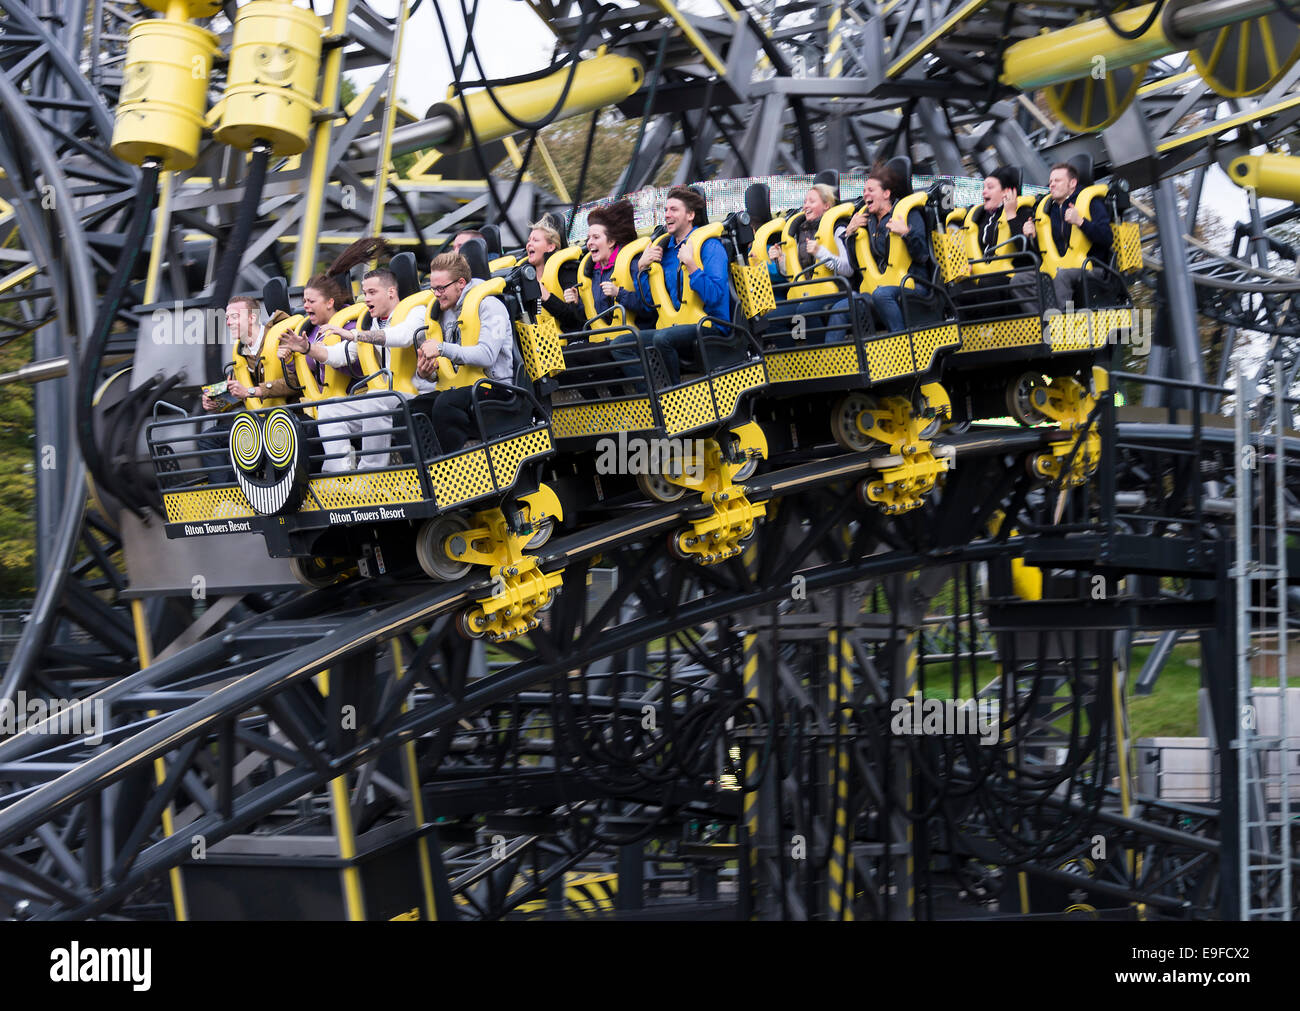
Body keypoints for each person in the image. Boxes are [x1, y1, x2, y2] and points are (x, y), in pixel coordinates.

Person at [281, 259, 416, 473]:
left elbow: (403, 337)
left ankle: (371, 474)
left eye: (372, 292)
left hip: (414, 391)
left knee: (375, 399)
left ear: (391, 292)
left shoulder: (413, 312)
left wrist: (355, 335)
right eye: (365, 292)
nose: (366, 298)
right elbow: (340, 355)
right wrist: (307, 348)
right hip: (385, 396)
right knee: (330, 408)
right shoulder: (371, 322)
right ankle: (339, 473)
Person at [612, 185, 733, 386]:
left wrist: (692, 266)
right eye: (665, 210)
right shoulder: (664, 252)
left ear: (690, 215)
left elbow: (715, 296)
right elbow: (649, 302)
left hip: (710, 325)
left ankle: (672, 395)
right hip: (673, 326)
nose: (667, 215)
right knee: (620, 344)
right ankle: (651, 396)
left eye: (674, 209)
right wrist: (642, 268)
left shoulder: (710, 246)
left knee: (663, 339)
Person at [410, 252, 517, 453]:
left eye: (441, 288)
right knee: (409, 410)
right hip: (459, 388)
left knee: (446, 405)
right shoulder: (441, 311)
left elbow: (487, 356)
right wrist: (427, 373)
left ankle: (451, 469)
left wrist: (441, 348)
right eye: (433, 288)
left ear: (460, 282)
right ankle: (423, 471)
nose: (436, 294)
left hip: (495, 388)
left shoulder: (489, 305)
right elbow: (444, 367)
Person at [839, 164, 930, 333]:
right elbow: (854, 265)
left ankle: (901, 346)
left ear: (886, 194)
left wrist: (906, 233)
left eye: (871, 190)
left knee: (882, 295)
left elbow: (922, 255)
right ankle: (839, 357)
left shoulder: (908, 214)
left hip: (913, 283)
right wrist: (849, 234)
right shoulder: (866, 222)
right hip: (878, 286)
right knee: (843, 307)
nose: (866, 194)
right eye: (864, 190)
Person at [196, 295, 276, 479]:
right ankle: (229, 497)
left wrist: (249, 391)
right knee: (208, 439)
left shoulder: (276, 340)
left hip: (283, 416)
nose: (229, 322)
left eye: (234, 317)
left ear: (251, 318)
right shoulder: (239, 351)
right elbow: (239, 391)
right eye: (227, 318)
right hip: (256, 421)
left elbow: (293, 383)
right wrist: (216, 403)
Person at [765, 184, 853, 344]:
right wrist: (780, 259)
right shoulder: (800, 231)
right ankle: (792, 362)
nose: (806, 205)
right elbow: (793, 274)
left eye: (811, 201)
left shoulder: (838, 228)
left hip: (834, 291)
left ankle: (819, 358)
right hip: (806, 294)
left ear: (826, 206)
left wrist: (821, 253)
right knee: (770, 318)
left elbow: (848, 269)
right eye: (805, 202)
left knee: (805, 310)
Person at [1024, 161, 1112, 309]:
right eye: (1050, 181)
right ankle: (1041, 323)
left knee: (1063, 277)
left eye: (1057, 181)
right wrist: (1032, 236)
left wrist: (1081, 222)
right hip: (1056, 268)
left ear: (1072, 183)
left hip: (1091, 268)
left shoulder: (1091, 203)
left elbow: (1107, 238)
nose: (1051, 184)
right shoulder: (1047, 211)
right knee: (1021, 280)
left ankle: (1058, 325)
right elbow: (1043, 253)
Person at [958, 166, 1038, 313]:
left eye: (990, 187)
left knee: (988, 284)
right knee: (957, 289)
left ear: (1006, 192)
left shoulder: (1023, 211)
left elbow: (1027, 251)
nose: (984, 192)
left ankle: (992, 333)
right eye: (983, 187)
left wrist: (1011, 215)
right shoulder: (980, 217)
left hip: (1012, 276)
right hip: (982, 275)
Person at [577, 199, 639, 326]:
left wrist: (618, 293)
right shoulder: (592, 272)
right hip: (604, 336)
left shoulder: (631, 265)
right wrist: (576, 302)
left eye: (596, 237)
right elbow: (588, 317)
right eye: (588, 238)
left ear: (611, 242)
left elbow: (648, 308)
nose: (589, 243)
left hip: (633, 335)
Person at [524, 222, 585, 332]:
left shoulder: (565, 271)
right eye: (529, 240)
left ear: (551, 247)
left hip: (566, 341)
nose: (529, 244)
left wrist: (546, 296)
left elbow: (574, 320)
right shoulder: (523, 276)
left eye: (535, 240)